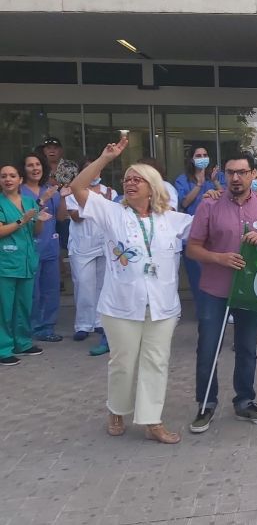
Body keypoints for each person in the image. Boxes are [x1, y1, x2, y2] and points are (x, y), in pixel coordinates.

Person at [70, 135, 193, 443]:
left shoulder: (173, 219)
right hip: (121, 305)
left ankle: (152, 420)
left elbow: (209, 231)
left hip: (162, 306)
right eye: (127, 179)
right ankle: (116, 409)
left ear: (153, 187)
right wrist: (105, 159)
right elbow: (77, 188)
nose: (130, 183)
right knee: (123, 363)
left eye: (138, 179)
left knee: (156, 362)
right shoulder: (112, 213)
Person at [186, 153, 257, 433]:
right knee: (208, 348)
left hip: (251, 292)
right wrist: (218, 258)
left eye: (242, 172)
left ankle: (245, 401)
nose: (235, 178)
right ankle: (206, 404)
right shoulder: (209, 205)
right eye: (230, 172)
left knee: (246, 349)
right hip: (215, 290)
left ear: (253, 174)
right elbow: (192, 248)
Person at [64, 160, 117, 344]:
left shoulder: (110, 192)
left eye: (96, 170)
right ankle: (83, 325)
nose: (93, 174)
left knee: (103, 286)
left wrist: (105, 203)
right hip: (82, 246)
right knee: (84, 285)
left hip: (104, 245)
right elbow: (75, 217)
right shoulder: (72, 192)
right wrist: (99, 204)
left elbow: (114, 216)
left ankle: (99, 322)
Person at [0, 163, 46, 366]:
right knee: (4, 308)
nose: (7, 179)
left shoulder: (28, 201)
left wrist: (40, 220)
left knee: (24, 305)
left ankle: (23, 343)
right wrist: (22, 220)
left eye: (12, 176)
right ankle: (3, 349)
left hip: (26, 261)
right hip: (6, 263)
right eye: (3, 176)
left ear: (20, 180)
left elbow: (35, 232)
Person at [21, 152, 64, 342]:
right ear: (23, 169)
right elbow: (22, 219)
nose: (35, 168)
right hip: (29, 248)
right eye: (30, 165)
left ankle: (47, 327)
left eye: (37, 164)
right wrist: (43, 199)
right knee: (32, 291)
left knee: (51, 290)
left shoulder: (50, 190)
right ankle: (32, 327)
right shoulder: (19, 192)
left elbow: (60, 218)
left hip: (50, 248)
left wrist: (63, 197)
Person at [174, 147, 222, 319]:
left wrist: (215, 183)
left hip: (215, 234)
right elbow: (184, 203)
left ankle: (219, 310)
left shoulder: (215, 177)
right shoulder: (182, 180)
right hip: (193, 235)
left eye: (205, 155)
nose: (202, 158)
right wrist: (200, 185)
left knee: (217, 275)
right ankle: (204, 312)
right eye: (198, 155)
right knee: (198, 277)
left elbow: (227, 198)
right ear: (192, 159)